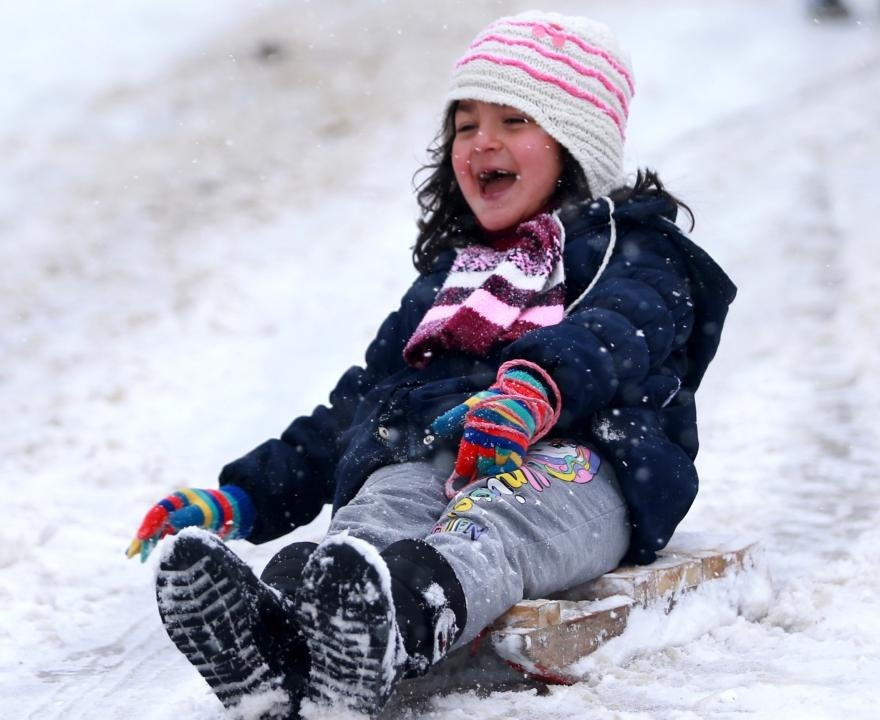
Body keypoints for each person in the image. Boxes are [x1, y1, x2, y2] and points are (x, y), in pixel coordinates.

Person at [127, 10, 736, 719]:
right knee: (371, 517)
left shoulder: (629, 252)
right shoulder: (454, 279)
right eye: (466, 123)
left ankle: (392, 630)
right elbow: (363, 403)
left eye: (514, 120)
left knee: (494, 523)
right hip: (435, 454)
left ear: (575, 139)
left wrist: (534, 389)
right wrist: (247, 496)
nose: (482, 142)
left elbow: (615, 333)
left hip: (580, 464)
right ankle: (282, 643)